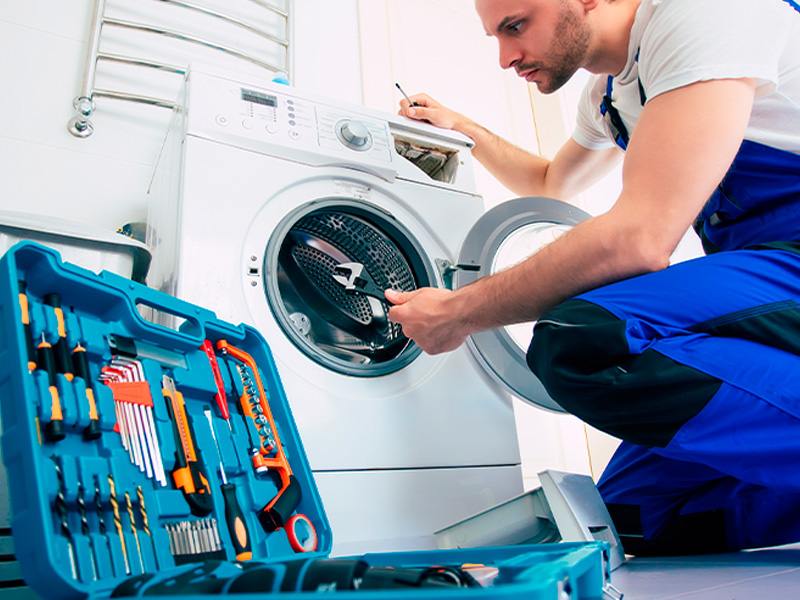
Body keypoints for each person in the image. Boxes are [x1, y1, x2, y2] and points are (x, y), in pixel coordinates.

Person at [386, 0, 800, 555]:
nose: (507, 57)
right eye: (496, 37)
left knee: (584, 339)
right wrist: (461, 127)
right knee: (632, 518)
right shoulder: (608, 97)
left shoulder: (708, 13)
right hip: (766, 271)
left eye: (516, 26)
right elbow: (551, 180)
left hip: (787, 261)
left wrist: (458, 311)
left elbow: (640, 238)